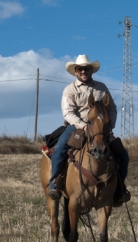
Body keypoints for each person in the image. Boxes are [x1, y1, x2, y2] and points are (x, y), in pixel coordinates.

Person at [47, 54, 131, 206]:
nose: (83, 72)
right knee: (60, 148)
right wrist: (83, 125)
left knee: (122, 154)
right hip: (76, 126)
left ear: (91, 70)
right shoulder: (69, 90)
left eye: (86, 69)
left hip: (100, 128)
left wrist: (108, 126)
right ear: (75, 71)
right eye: (80, 69)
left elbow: (112, 108)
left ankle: (120, 188)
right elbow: (68, 112)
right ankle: (55, 182)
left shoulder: (102, 87)